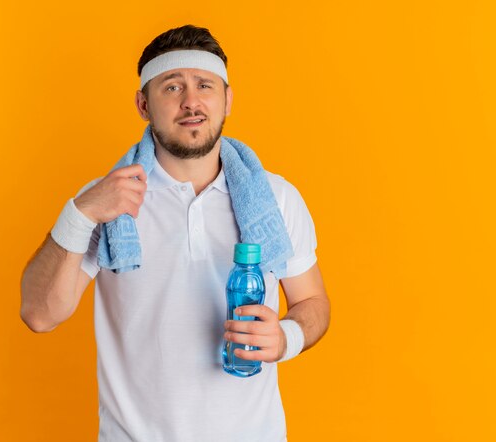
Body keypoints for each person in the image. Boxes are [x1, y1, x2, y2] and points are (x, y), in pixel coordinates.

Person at [20, 24, 330, 442]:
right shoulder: (106, 200)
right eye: (171, 87)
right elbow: (40, 314)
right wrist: (81, 213)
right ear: (143, 103)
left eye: (204, 85)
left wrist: (286, 337)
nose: (191, 101)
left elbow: (312, 302)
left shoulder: (274, 197)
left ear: (228, 99)